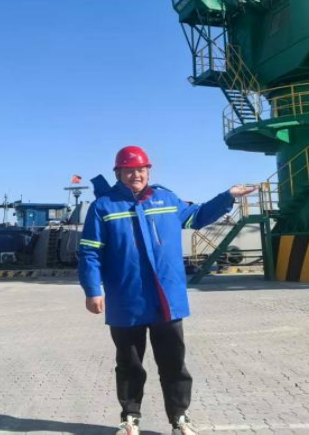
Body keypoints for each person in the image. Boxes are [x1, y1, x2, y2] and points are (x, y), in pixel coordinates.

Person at [78, 146, 256, 435]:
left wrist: (228, 197)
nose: (136, 175)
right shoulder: (103, 207)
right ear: (118, 173)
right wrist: (92, 289)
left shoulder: (167, 199)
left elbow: (197, 216)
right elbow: (90, 252)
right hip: (126, 300)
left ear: (148, 172)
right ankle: (130, 418)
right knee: (129, 364)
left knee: (174, 364)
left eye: (141, 170)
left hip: (166, 300)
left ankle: (179, 418)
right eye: (129, 171)